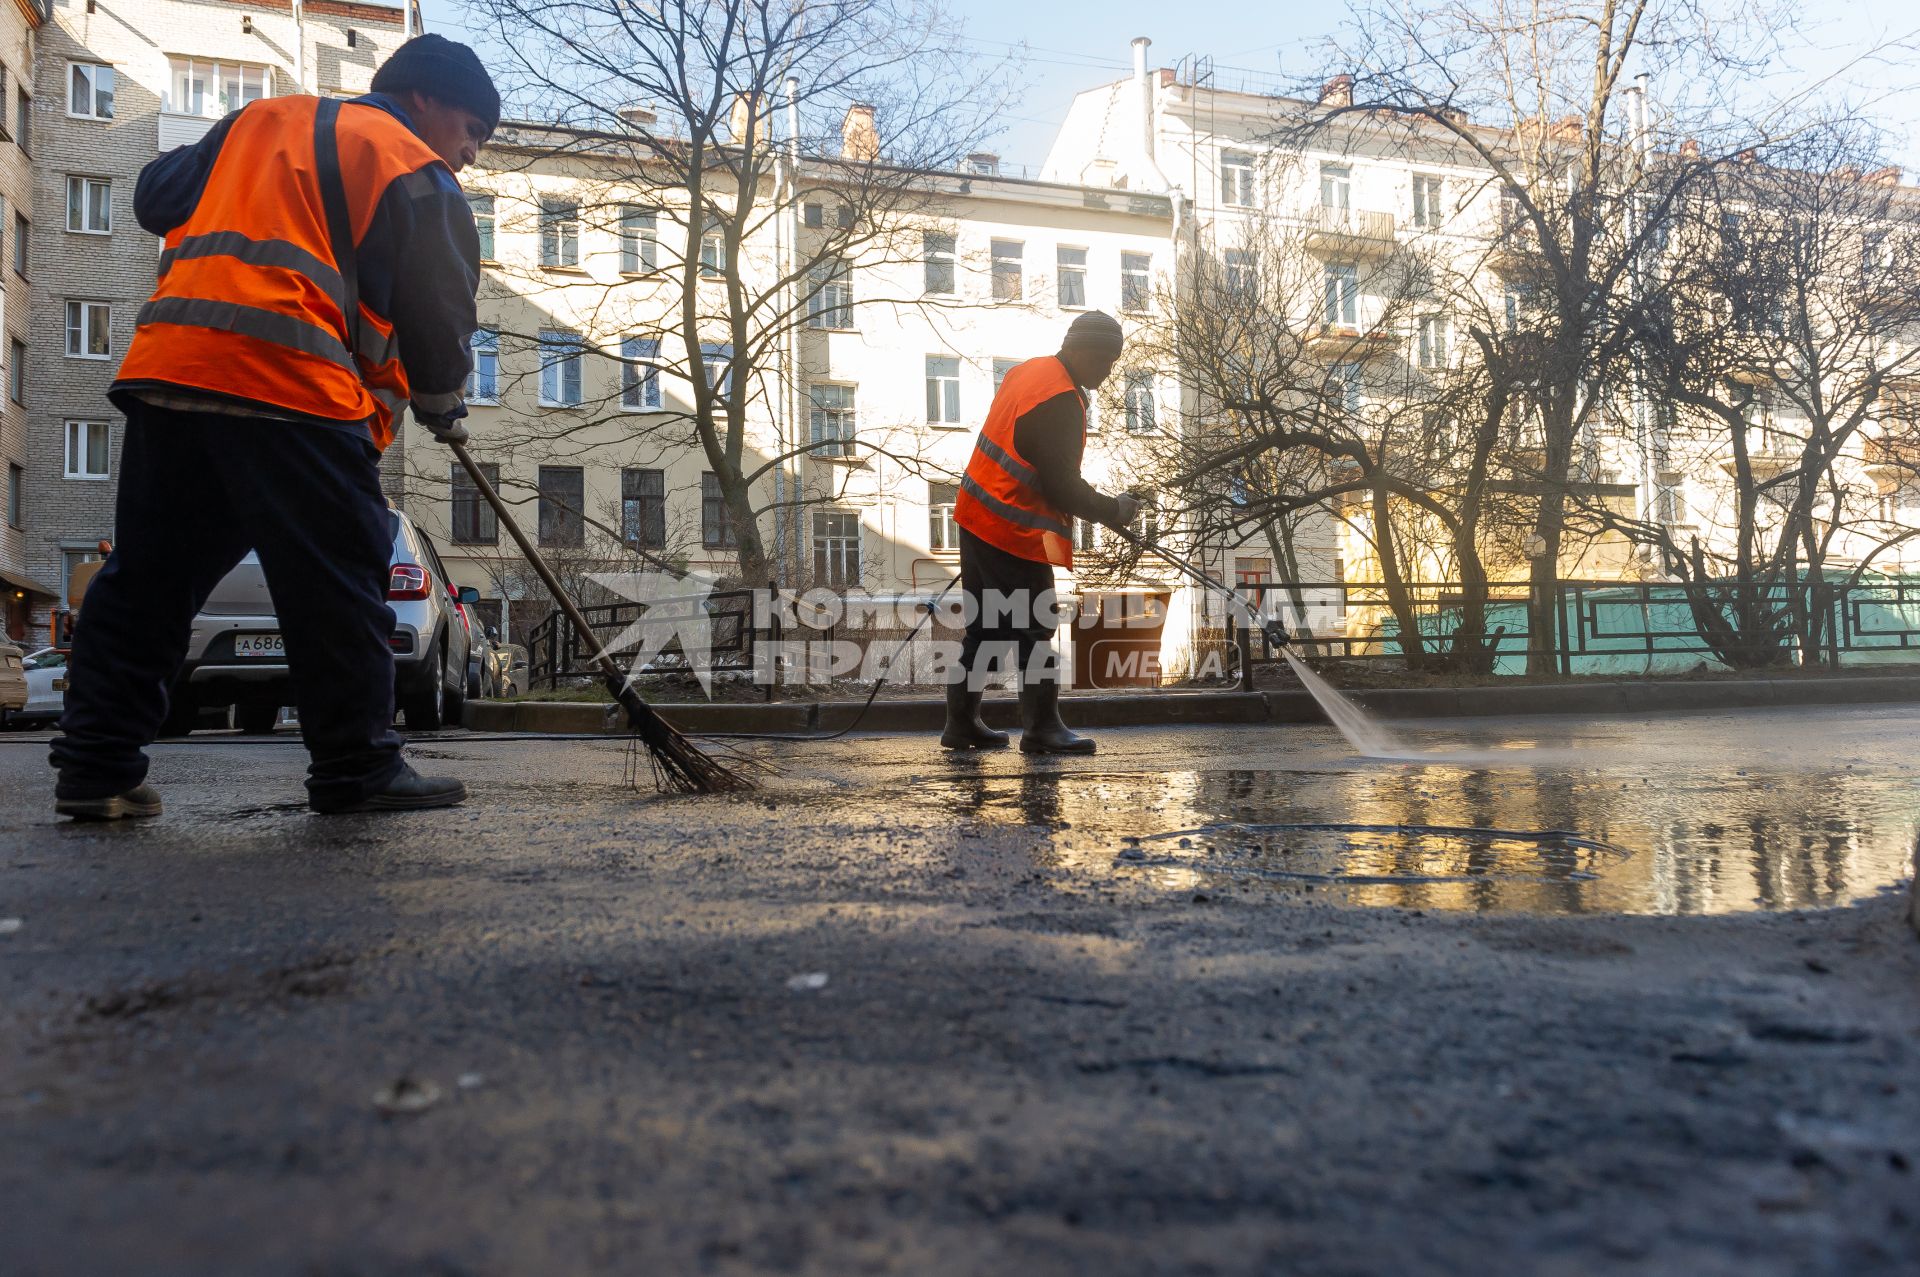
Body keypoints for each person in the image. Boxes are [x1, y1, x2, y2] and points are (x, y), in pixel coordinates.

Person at [48, 34, 497, 820]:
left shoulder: (256, 119)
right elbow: (440, 307)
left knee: (148, 581)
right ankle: (357, 768)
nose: (470, 153)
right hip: (290, 384)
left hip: (174, 373)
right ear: (425, 98)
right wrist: (441, 397)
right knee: (337, 579)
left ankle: (97, 769)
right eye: (473, 130)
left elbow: (157, 196)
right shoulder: (410, 165)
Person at [943, 311, 1141, 755]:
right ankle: (1042, 728)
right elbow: (1061, 485)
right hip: (1012, 528)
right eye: (1104, 358)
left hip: (977, 516)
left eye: (1114, 361)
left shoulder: (1028, 372)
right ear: (1076, 347)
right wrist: (1114, 510)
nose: (1108, 370)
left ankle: (960, 724)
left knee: (987, 627)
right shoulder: (1060, 399)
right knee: (1035, 627)